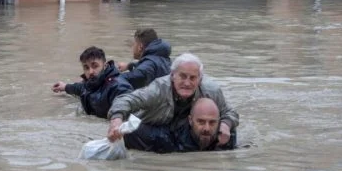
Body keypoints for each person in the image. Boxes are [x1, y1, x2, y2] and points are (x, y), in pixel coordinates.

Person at [107, 53, 238, 147]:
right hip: (155, 129)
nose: (187, 83)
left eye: (192, 78)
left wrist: (226, 125)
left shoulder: (211, 90)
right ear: (173, 76)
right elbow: (125, 99)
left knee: (229, 134)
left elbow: (230, 112)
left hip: (184, 131)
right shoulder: (158, 89)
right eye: (183, 76)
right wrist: (116, 120)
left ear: (200, 79)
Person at [123, 98, 237, 153]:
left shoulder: (227, 137)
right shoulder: (169, 138)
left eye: (212, 122)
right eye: (201, 122)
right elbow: (131, 131)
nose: (207, 128)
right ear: (190, 121)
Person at [52, 46, 133, 119]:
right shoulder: (91, 84)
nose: (90, 71)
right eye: (86, 67)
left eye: (95, 66)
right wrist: (65, 87)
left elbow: (127, 99)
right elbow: (80, 88)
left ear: (105, 66)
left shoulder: (117, 86)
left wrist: (117, 119)